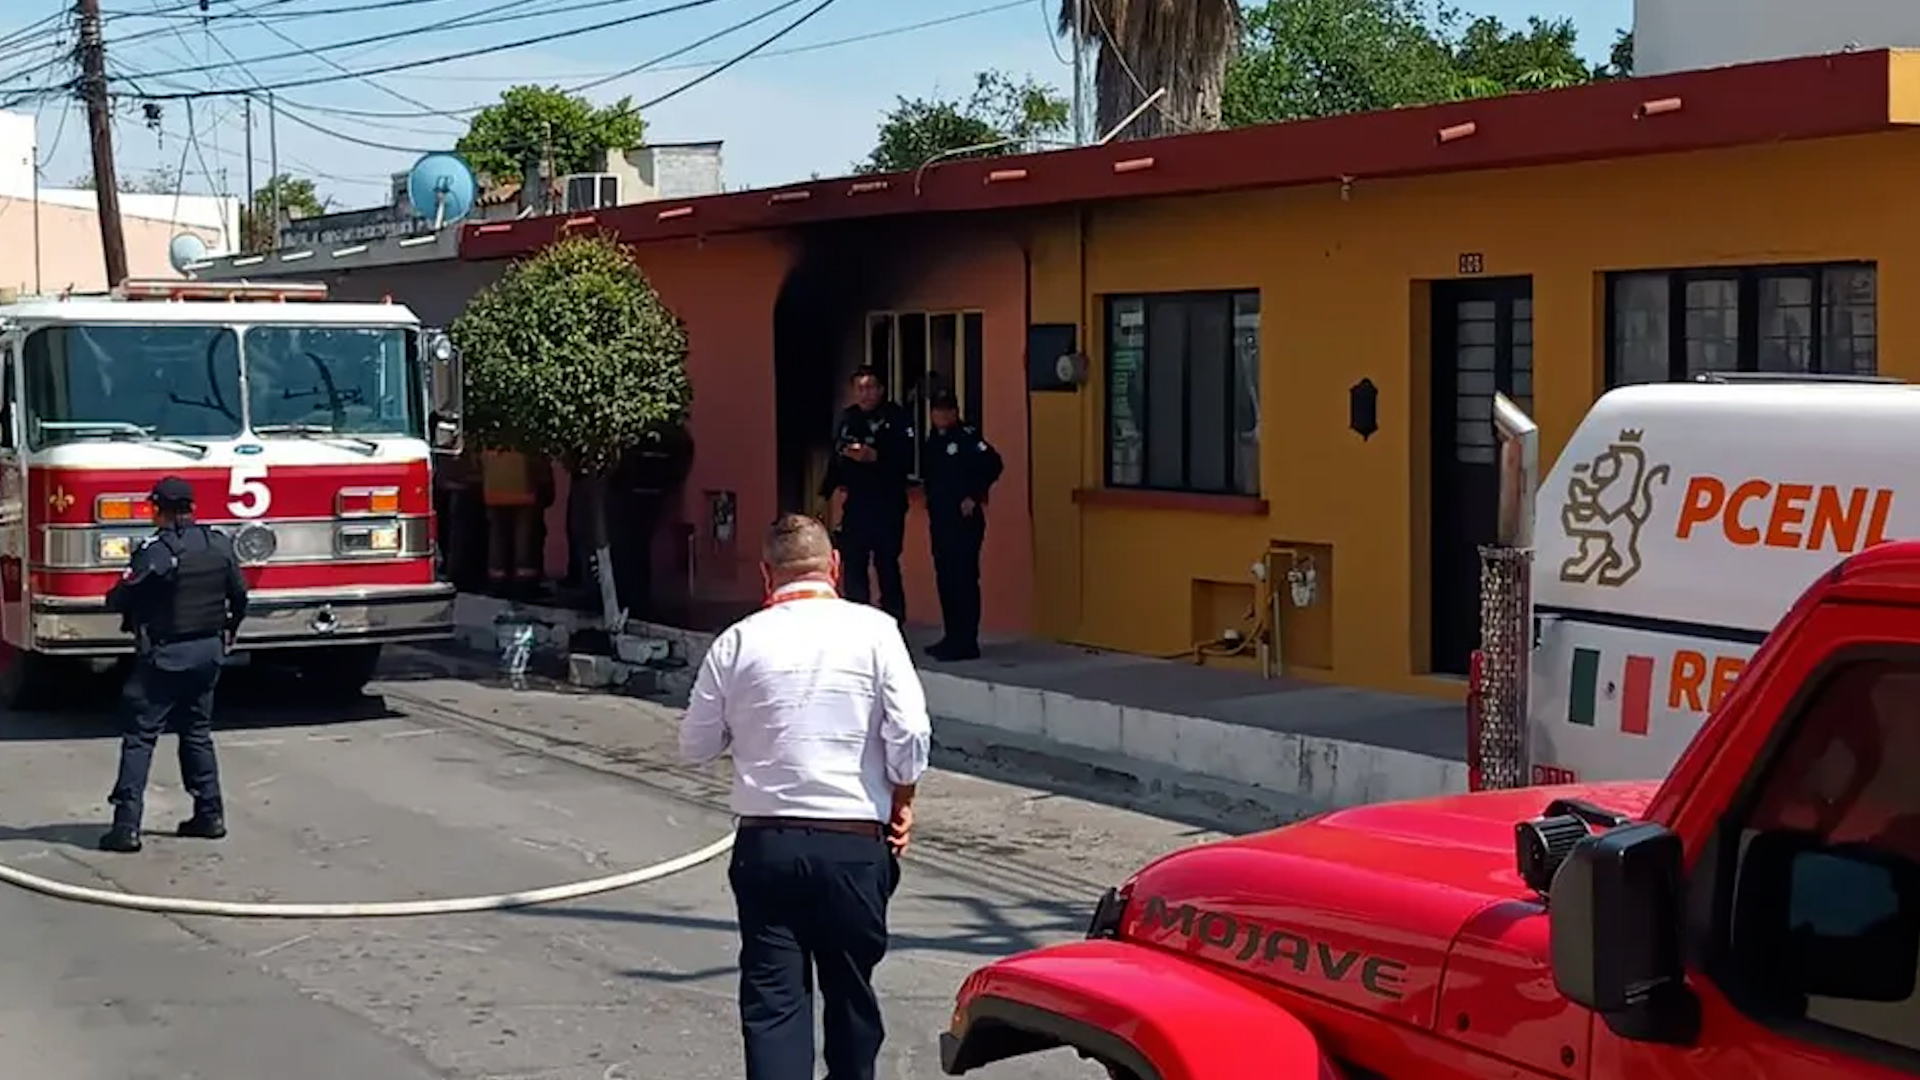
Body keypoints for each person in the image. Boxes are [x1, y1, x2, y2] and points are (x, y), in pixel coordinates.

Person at [679, 513, 931, 1080]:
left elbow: (694, 744)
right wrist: (904, 795)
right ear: (835, 567)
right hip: (852, 844)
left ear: (766, 575)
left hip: (767, 844)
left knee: (773, 1004)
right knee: (850, 996)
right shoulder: (875, 630)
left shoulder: (738, 641)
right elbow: (910, 731)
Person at [99, 476, 250, 854]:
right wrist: (228, 631)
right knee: (197, 731)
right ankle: (210, 814)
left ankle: (126, 826)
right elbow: (241, 595)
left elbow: (122, 596)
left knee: (140, 736)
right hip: (208, 651)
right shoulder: (218, 543)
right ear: (191, 506)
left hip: (165, 655)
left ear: (157, 508)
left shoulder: (157, 550)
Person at [818, 366, 914, 623]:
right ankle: (857, 620)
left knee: (886, 563)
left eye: (870, 387)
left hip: (887, 502)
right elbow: (835, 459)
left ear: (881, 389)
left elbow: (908, 460)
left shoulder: (896, 418)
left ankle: (892, 620)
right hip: (857, 502)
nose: (865, 393)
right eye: (859, 388)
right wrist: (824, 493)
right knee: (854, 562)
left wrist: (876, 457)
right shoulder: (848, 419)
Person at [920, 391, 1003, 662]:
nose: (941, 416)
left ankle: (967, 640)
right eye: (937, 411)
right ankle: (951, 636)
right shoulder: (933, 440)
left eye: (947, 410)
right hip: (941, 519)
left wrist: (975, 494)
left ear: (955, 412)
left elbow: (993, 464)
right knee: (945, 578)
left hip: (964, 521)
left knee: (964, 579)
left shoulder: (967, 437)